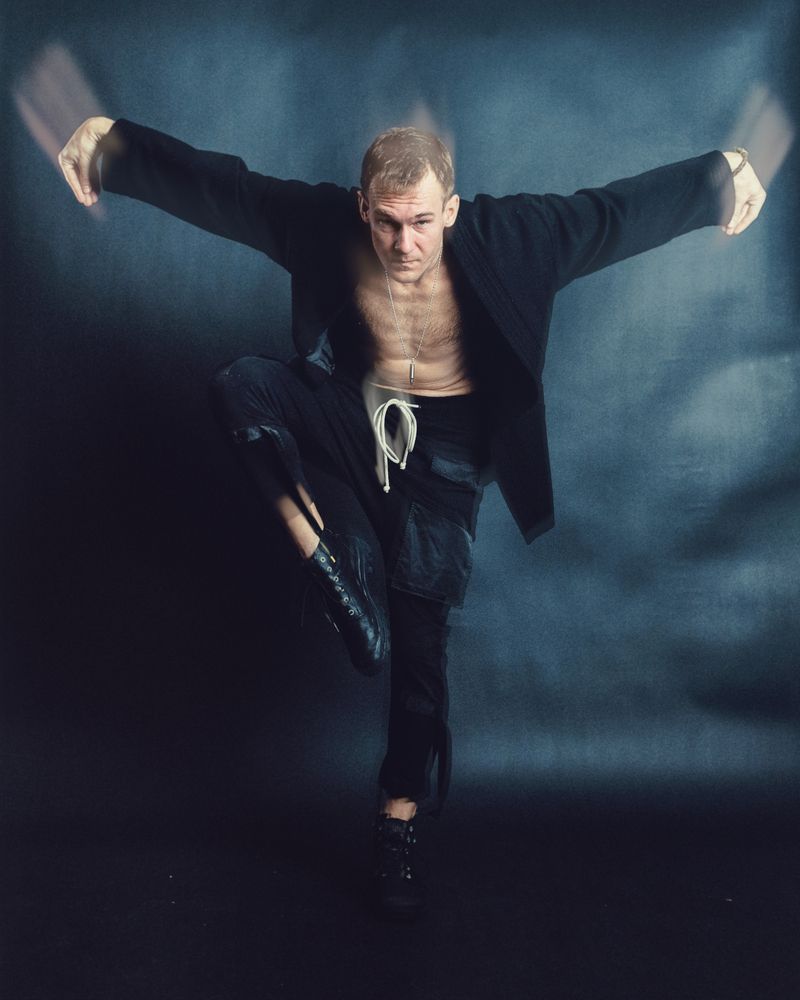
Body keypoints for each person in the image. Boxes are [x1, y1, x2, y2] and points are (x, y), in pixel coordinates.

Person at [57, 114, 766, 920]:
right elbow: (225, 190)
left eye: (422, 222)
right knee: (242, 387)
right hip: (353, 422)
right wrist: (111, 145)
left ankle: (396, 822)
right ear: (363, 207)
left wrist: (722, 175)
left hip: (445, 464)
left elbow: (615, 214)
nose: (404, 243)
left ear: (451, 210)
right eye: (388, 223)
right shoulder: (324, 226)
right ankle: (324, 557)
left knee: (421, 667)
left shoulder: (518, 238)